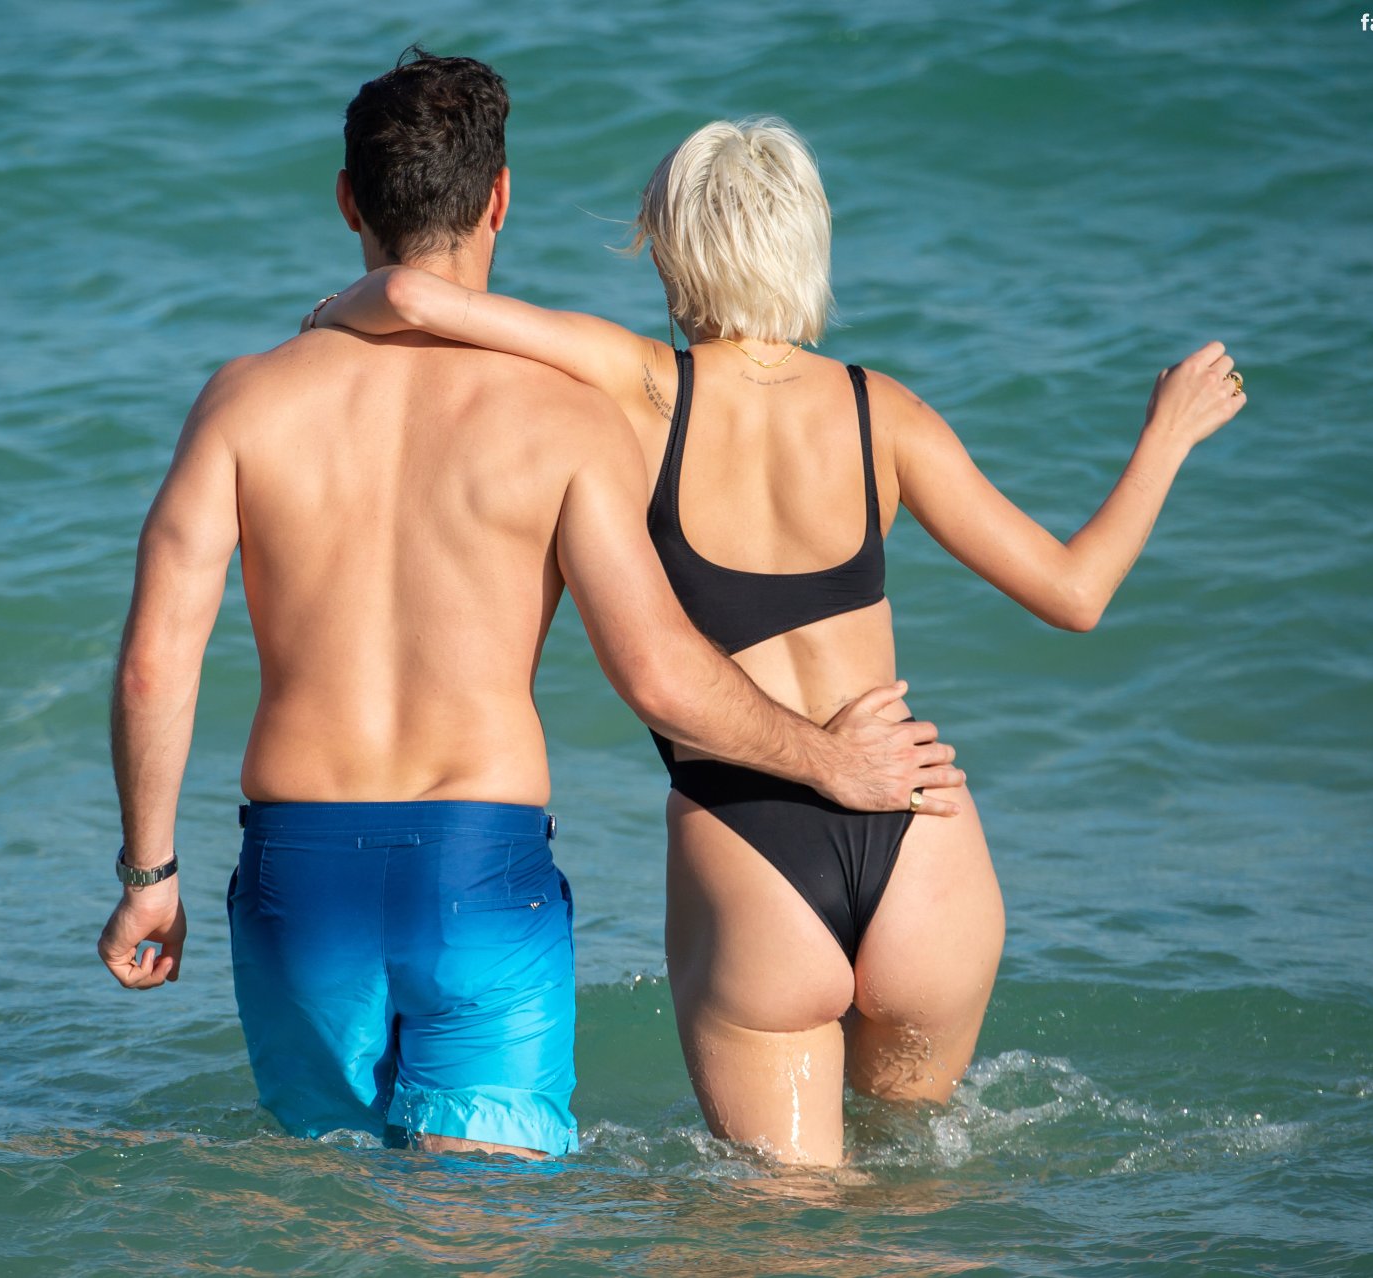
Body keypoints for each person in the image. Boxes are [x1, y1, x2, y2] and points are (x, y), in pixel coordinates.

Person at [310, 116, 1248, 1165]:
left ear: (672, 250)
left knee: (781, 1226)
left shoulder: (644, 385)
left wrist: (331, 314)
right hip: (921, 829)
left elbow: (414, 298)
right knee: (918, 1190)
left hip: (752, 841)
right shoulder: (881, 410)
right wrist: (1167, 433)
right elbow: (1076, 592)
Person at [94, 59, 964, 1161]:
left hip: (297, 876)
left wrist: (149, 877)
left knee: (327, 1205)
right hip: (478, 872)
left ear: (349, 201)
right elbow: (658, 674)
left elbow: (153, 665)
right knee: (480, 1220)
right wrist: (829, 762)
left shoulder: (242, 401)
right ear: (499, 199)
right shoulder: (563, 419)